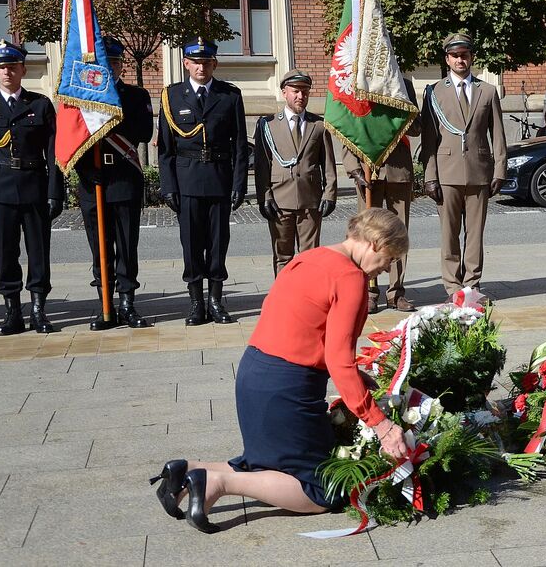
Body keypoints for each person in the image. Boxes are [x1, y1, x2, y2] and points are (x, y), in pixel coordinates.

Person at [149, 208, 410, 533]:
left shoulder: (310, 257)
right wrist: (382, 426)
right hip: (287, 388)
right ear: (375, 243)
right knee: (323, 491)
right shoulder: (350, 278)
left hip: (254, 373)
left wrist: (357, 379)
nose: (384, 270)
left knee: (269, 464)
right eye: (389, 258)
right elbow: (339, 361)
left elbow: (306, 330)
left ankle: (184, 470)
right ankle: (217, 483)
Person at [157, 37, 249, 325]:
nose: (201, 67)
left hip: (220, 179)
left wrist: (238, 185)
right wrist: (169, 186)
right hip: (187, 181)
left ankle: (216, 301)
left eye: (207, 62)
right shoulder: (171, 97)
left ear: (214, 64)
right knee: (192, 243)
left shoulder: (229, 95)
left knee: (219, 243)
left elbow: (239, 147)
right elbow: (165, 149)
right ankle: (196, 302)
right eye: (196, 62)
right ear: (186, 63)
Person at [0, 40, 62, 335]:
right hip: (0, 192)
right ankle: (12, 311)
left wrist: (54, 192)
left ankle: (38, 309)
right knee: (6, 253)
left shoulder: (40, 105)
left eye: (12, 66)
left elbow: (54, 154)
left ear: (23, 69)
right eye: (1, 67)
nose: (7, 71)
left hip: (35, 186)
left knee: (38, 251)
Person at [74, 36, 153, 329]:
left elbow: (144, 132)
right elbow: (72, 138)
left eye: (115, 63)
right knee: (100, 246)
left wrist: (109, 108)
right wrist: (83, 169)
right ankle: (105, 304)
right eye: (104, 63)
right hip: (92, 181)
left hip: (123, 178)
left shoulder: (136, 96)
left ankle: (127, 303)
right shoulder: (81, 99)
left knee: (127, 245)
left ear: (121, 66)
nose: (110, 68)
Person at [420, 32, 507, 300]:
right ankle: (452, 287)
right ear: (447, 59)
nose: (460, 59)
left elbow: (498, 135)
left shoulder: (488, 91)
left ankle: (472, 284)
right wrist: (430, 176)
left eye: (465, 55)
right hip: (446, 173)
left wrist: (500, 170)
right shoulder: (434, 92)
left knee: (475, 233)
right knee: (449, 234)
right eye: (455, 55)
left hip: (479, 172)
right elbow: (428, 138)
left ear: (472, 57)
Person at [342, 79, 419, 313]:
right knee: (366, 234)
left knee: (399, 231)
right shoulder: (356, 82)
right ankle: (369, 291)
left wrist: (400, 104)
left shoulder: (402, 84)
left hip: (398, 170)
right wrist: (353, 168)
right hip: (367, 171)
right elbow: (347, 128)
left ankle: (396, 292)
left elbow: (416, 128)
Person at [254, 69, 336, 276]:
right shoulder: (268, 125)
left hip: (310, 200)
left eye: (305, 91)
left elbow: (328, 164)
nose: (301, 96)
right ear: (284, 92)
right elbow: (263, 166)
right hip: (280, 200)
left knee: (311, 256)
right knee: (283, 256)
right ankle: (284, 300)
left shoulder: (318, 125)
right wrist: (264, 197)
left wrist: (330, 194)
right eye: (295, 91)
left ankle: (309, 298)